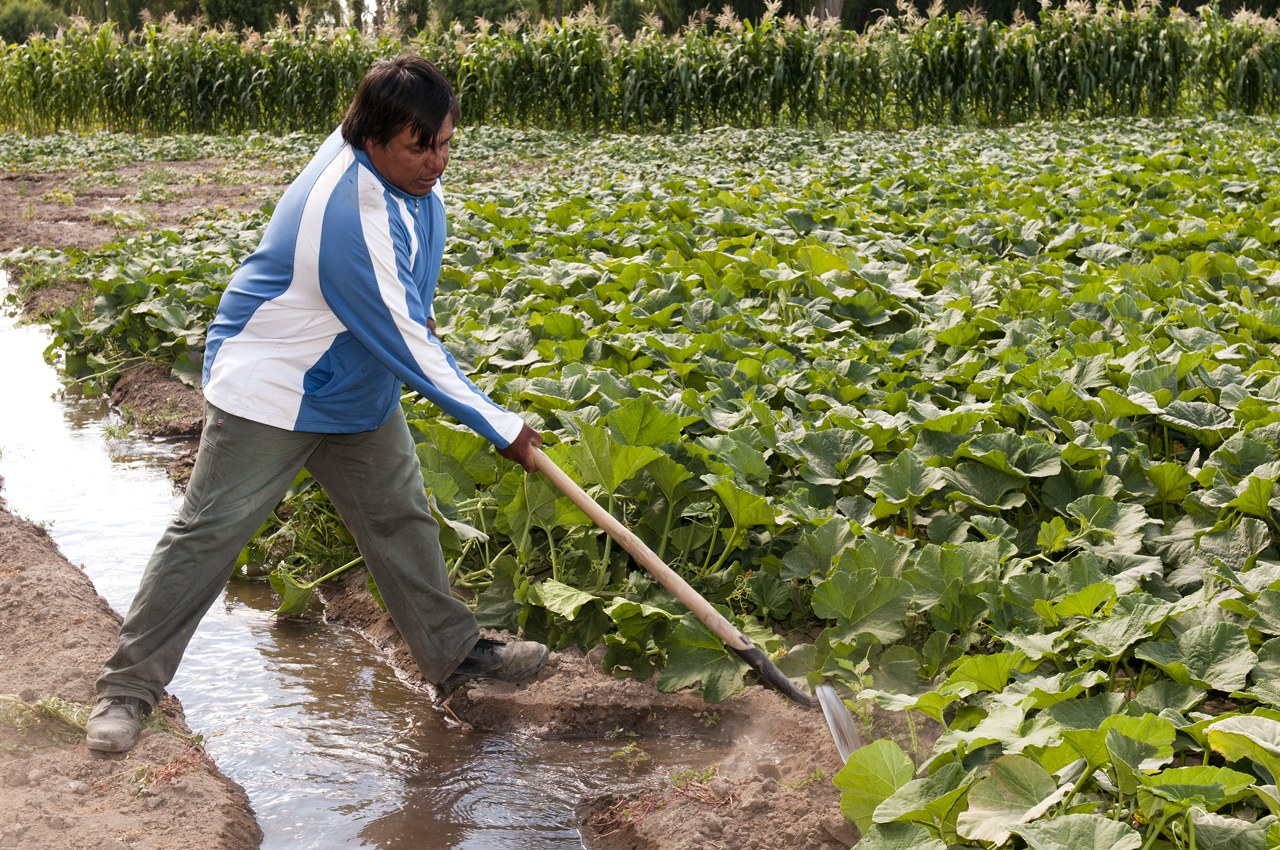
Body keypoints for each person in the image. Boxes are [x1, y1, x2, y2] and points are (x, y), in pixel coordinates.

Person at [85, 55, 548, 754]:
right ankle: (126, 692)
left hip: (355, 384)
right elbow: (400, 332)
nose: (437, 162)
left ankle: (455, 659)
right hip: (273, 387)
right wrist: (501, 426)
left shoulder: (408, 173)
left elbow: (406, 302)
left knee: (401, 519)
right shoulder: (346, 207)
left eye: (446, 143)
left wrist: (414, 317)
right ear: (370, 141)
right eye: (420, 148)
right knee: (210, 534)